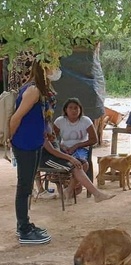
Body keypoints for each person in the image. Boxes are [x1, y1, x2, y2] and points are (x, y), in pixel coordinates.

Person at [9, 56, 61, 244]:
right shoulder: (33, 90)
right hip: (24, 143)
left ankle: (25, 223)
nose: (56, 70)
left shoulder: (41, 89)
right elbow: (16, 118)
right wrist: (10, 139)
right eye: (55, 66)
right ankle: (23, 228)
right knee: (24, 187)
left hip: (34, 142)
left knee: (27, 185)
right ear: (46, 67)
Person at [39, 133, 115, 205]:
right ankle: (97, 194)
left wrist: (62, 147)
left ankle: (69, 190)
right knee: (75, 166)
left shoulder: (47, 123)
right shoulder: (39, 126)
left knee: (84, 164)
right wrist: (70, 158)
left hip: (56, 155)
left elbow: (54, 144)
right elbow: (52, 150)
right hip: (47, 159)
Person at [53, 97, 98, 195]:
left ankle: (70, 188)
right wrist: (61, 147)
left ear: (80, 109)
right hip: (64, 148)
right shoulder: (60, 121)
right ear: (65, 110)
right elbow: (52, 138)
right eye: (71, 108)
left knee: (81, 164)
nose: (74, 110)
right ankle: (68, 185)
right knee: (62, 162)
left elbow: (94, 139)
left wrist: (77, 145)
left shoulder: (86, 121)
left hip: (82, 148)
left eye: (76, 108)